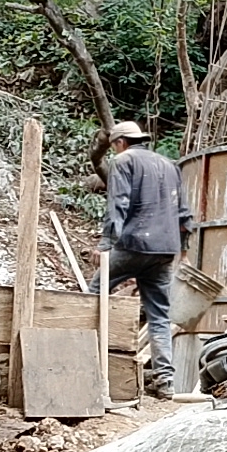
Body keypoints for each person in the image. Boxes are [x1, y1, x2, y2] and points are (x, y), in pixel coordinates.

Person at [92, 121, 193, 398]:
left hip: (134, 244)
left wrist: (106, 244)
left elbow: (119, 204)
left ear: (120, 142)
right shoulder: (169, 165)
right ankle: (165, 382)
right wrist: (183, 250)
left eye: (114, 145)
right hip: (165, 249)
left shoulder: (123, 161)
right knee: (159, 315)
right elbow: (184, 213)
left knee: (93, 293)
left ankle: (87, 361)